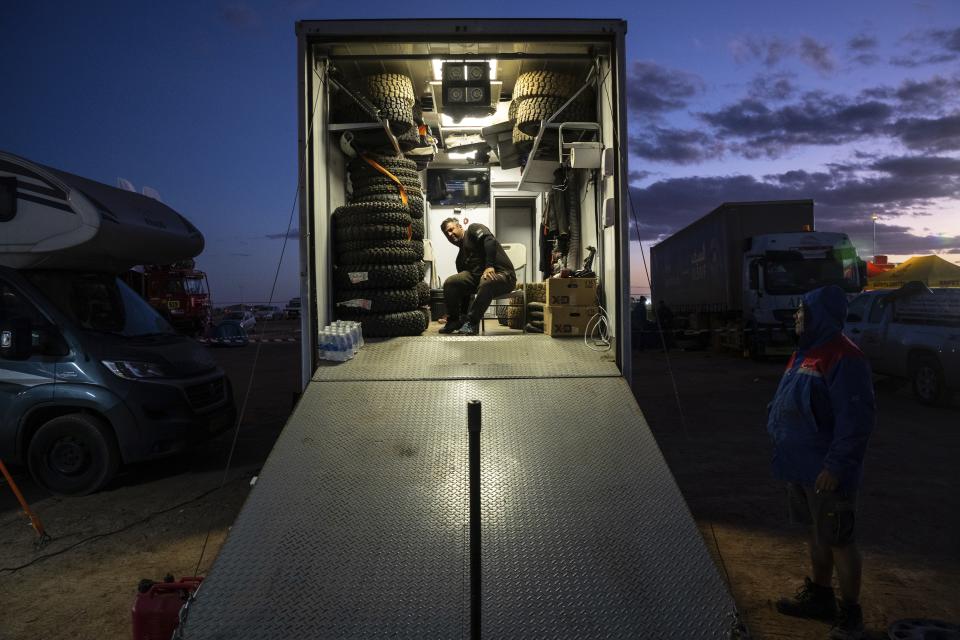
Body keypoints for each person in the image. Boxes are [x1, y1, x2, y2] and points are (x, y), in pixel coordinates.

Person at [767, 285, 875, 640]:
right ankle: (820, 597)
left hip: (827, 471)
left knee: (841, 540)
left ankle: (851, 614)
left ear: (821, 316)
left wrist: (837, 467)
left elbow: (855, 420)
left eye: (803, 311)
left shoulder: (845, 357)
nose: (797, 316)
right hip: (800, 466)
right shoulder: (803, 353)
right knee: (817, 533)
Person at [438, 218, 516, 335]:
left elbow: (490, 240)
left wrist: (489, 266)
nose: (450, 234)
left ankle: (471, 324)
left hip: (504, 275)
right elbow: (465, 292)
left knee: (487, 280)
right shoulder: (460, 260)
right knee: (451, 283)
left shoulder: (473, 229)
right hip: (480, 281)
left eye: (451, 229)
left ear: (459, 226)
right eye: (446, 233)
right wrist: (463, 314)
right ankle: (454, 321)